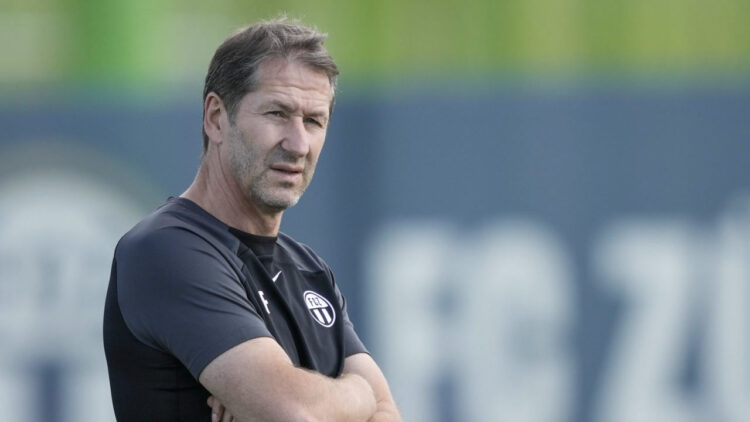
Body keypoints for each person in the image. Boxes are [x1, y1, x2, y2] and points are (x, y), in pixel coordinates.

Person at [103, 18, 402, 422]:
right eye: (278, 113)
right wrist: (358, 395)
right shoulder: (166, 249)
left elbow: (388, 415)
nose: (298, 145)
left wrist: (290, 396)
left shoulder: (308, 269)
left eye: (314, 121)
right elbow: (295, 412)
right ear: (216, 118)